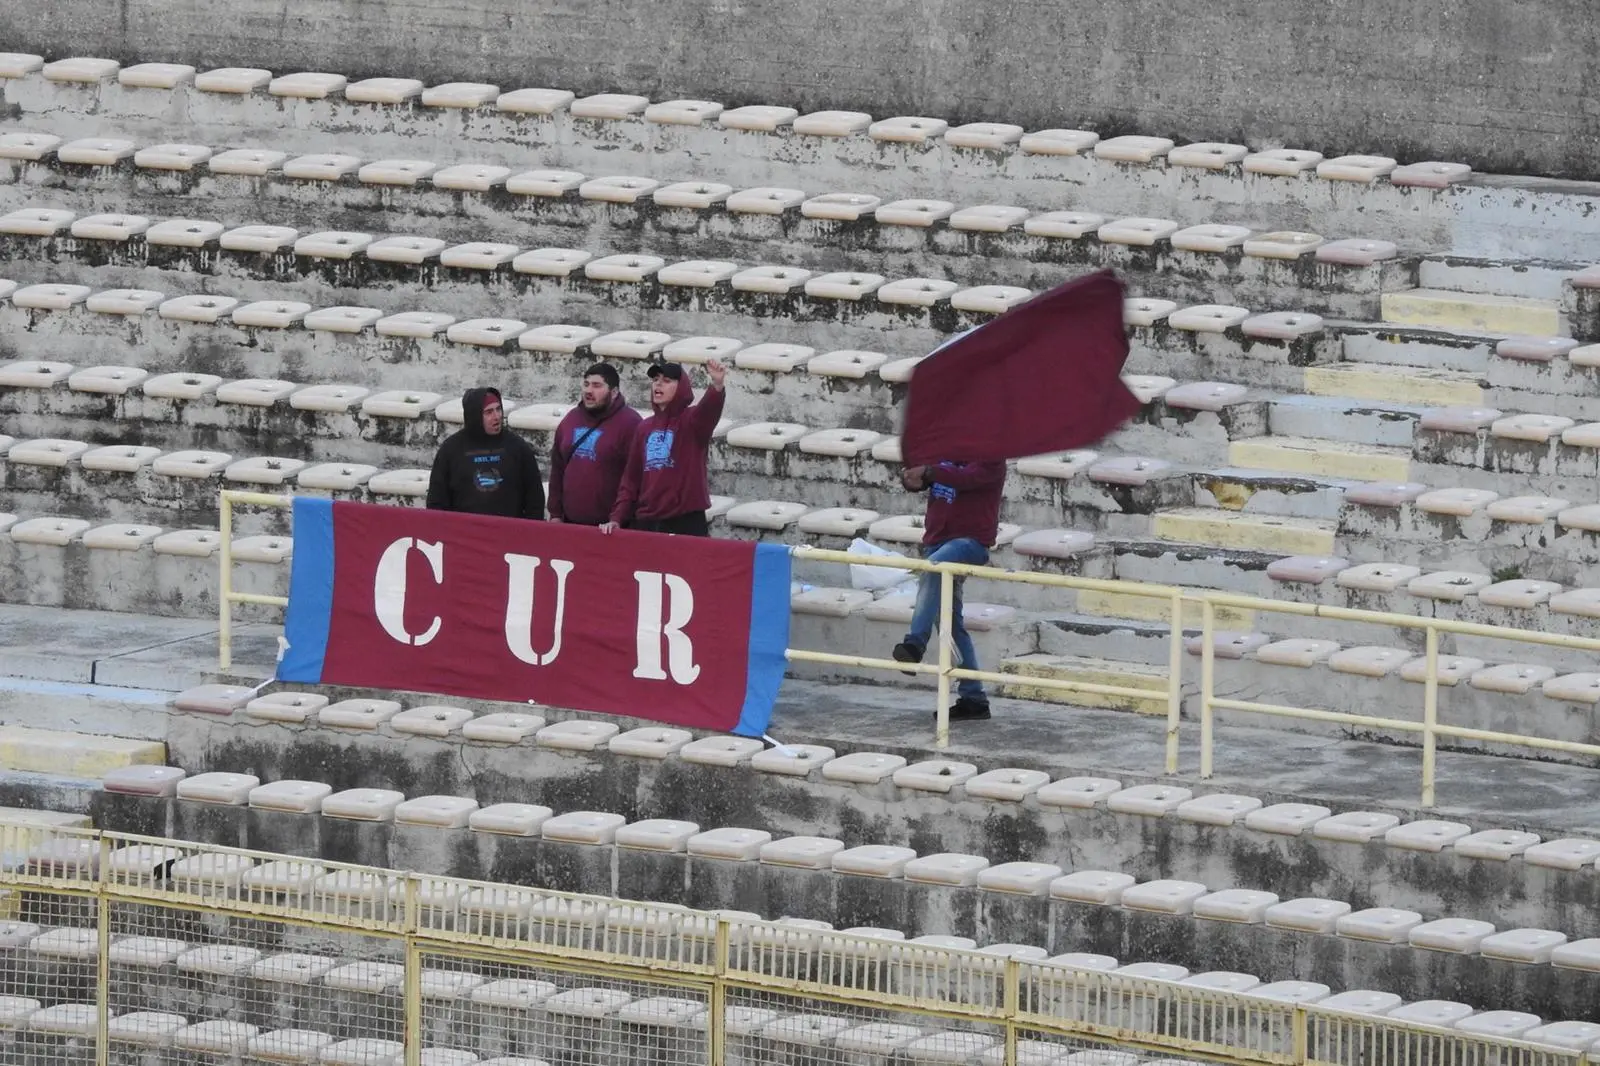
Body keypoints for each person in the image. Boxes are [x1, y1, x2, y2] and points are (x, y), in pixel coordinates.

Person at [891, 459, 1008, 722]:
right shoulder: (942, 450)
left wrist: (930, 472)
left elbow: (964, 478)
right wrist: (913, 479)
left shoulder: (992, 456)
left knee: (933, 569)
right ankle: (974, 699)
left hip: (970, 543)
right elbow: (926, 478)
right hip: (936, 540)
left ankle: (914, 644)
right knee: (950, 624)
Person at [601, 359, 727, 536]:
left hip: (685, 521)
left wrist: (717, 385)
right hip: (647, 520)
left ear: (681, 388)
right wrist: (617, 517)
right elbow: (631, 479)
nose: (658, 384)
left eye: (667, 381)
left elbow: (708, 410)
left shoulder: (692, 421)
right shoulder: (644, 428)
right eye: (655, 380)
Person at [425, 386, 545, 519]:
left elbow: (535, 498)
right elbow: (436, 501)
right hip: (464, 532)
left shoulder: (517, 447)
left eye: (498, 409)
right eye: (488, 412)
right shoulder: (451, 450)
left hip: (508, 532)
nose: (497, 416)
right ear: (474, 415)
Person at [547, 363, 643, 526]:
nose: (588, 391)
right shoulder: (571, 419)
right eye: (586, 384)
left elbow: (634, 479)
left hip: (610, 529)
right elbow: (557, 469)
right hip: (570, 524)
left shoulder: (631, 423)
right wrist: (555, 513)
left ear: (614, 392)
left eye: (597, 386)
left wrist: (617, 518)